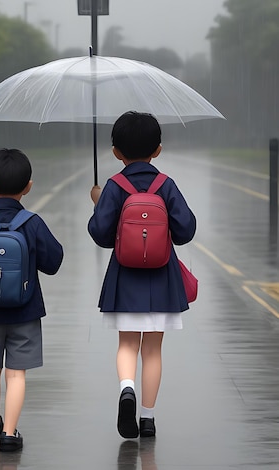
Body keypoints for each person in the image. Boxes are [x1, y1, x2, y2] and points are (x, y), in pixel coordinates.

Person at [87, 111, 196, 439]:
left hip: (125, 277)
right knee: (152, 351)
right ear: (158, 150)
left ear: (116, 152)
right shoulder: (166, 185)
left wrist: (98, 204)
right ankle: (147, 418)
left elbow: (101, 234)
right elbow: (186, 229)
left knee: (127, 344)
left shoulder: (114, 186)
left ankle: (126, 388)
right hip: (162, 277)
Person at [0, 148, 64, 451]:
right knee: (16, 372)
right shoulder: (32, 223)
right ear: (28, 187)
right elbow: (54, 261)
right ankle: (10, 432)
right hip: (25, 310)